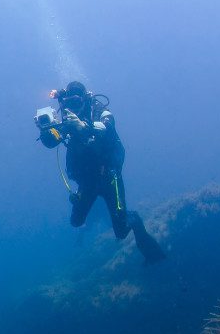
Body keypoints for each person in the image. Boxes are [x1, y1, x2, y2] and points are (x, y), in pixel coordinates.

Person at [44, 81, 165, 264]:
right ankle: (103, 209)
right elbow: (52, 142)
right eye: (69, 102)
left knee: (122, 230)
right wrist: (47, 131)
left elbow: (108, 127)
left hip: (109, 175)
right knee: (76, 221)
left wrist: (84, 127)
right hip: (87, 181)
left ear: (85, 99)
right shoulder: (67, 119)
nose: (73, 106)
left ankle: (138, 227)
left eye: (77, 101)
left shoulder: (99, 110)